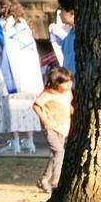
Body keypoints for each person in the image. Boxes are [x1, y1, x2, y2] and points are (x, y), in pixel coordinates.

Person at [0, 0, 44, 154]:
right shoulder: (25, 26)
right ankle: (30, 142)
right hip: (30, 75)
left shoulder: (0, 26)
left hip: (10, 73)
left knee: (11, 107)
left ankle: (15, 143)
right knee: (27, 107)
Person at [33, 66, 74, 194]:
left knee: (55, 155)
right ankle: (56, 181)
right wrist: (45, 120)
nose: (68, 85)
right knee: (60, 152)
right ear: (57, 83)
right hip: (50, 128)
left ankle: (43, 180)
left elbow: (68, 102)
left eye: (69, 81)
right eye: (65, 83)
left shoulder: (67, 92)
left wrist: (71, 109)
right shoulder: (48, 94)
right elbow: (36, 106)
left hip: (63, 128)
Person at [48, 0, 77, 75]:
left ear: (72, 13)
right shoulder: (69, 35)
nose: (60, 13)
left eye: (62, 10)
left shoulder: (78, 36)